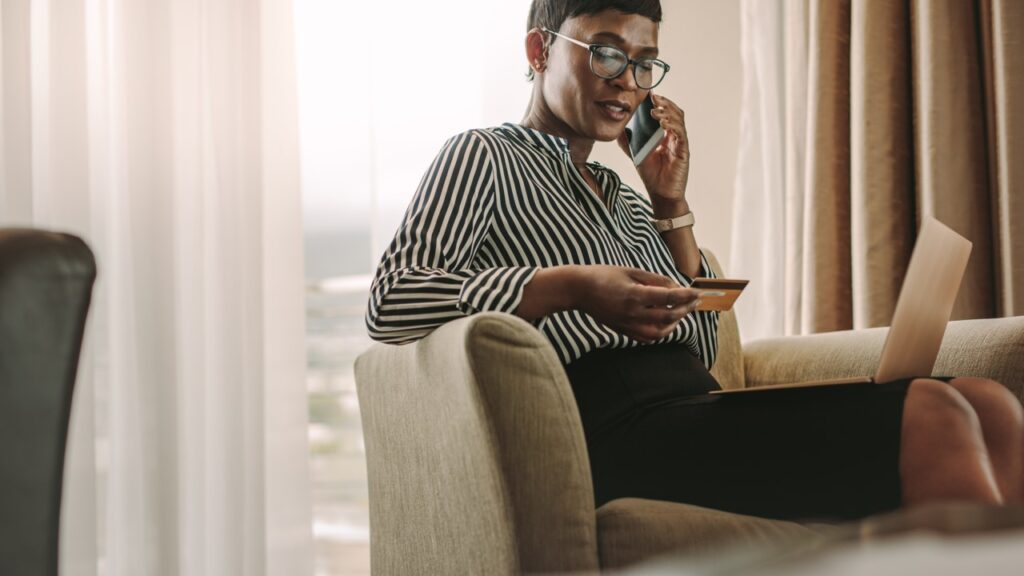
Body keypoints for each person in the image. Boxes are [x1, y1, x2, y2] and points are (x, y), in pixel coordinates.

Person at [366, 0, 1023, 521]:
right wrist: (570, 287)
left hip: (692, 408)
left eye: (645, 62)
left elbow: (704, 350)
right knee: (932, 415)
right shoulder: (484, 155)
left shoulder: (625, 197)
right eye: (605, 53)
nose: (627, 81)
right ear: (540, 50)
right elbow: (391, 298)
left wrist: (670, 202)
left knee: (986, 402)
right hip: (613, 428)